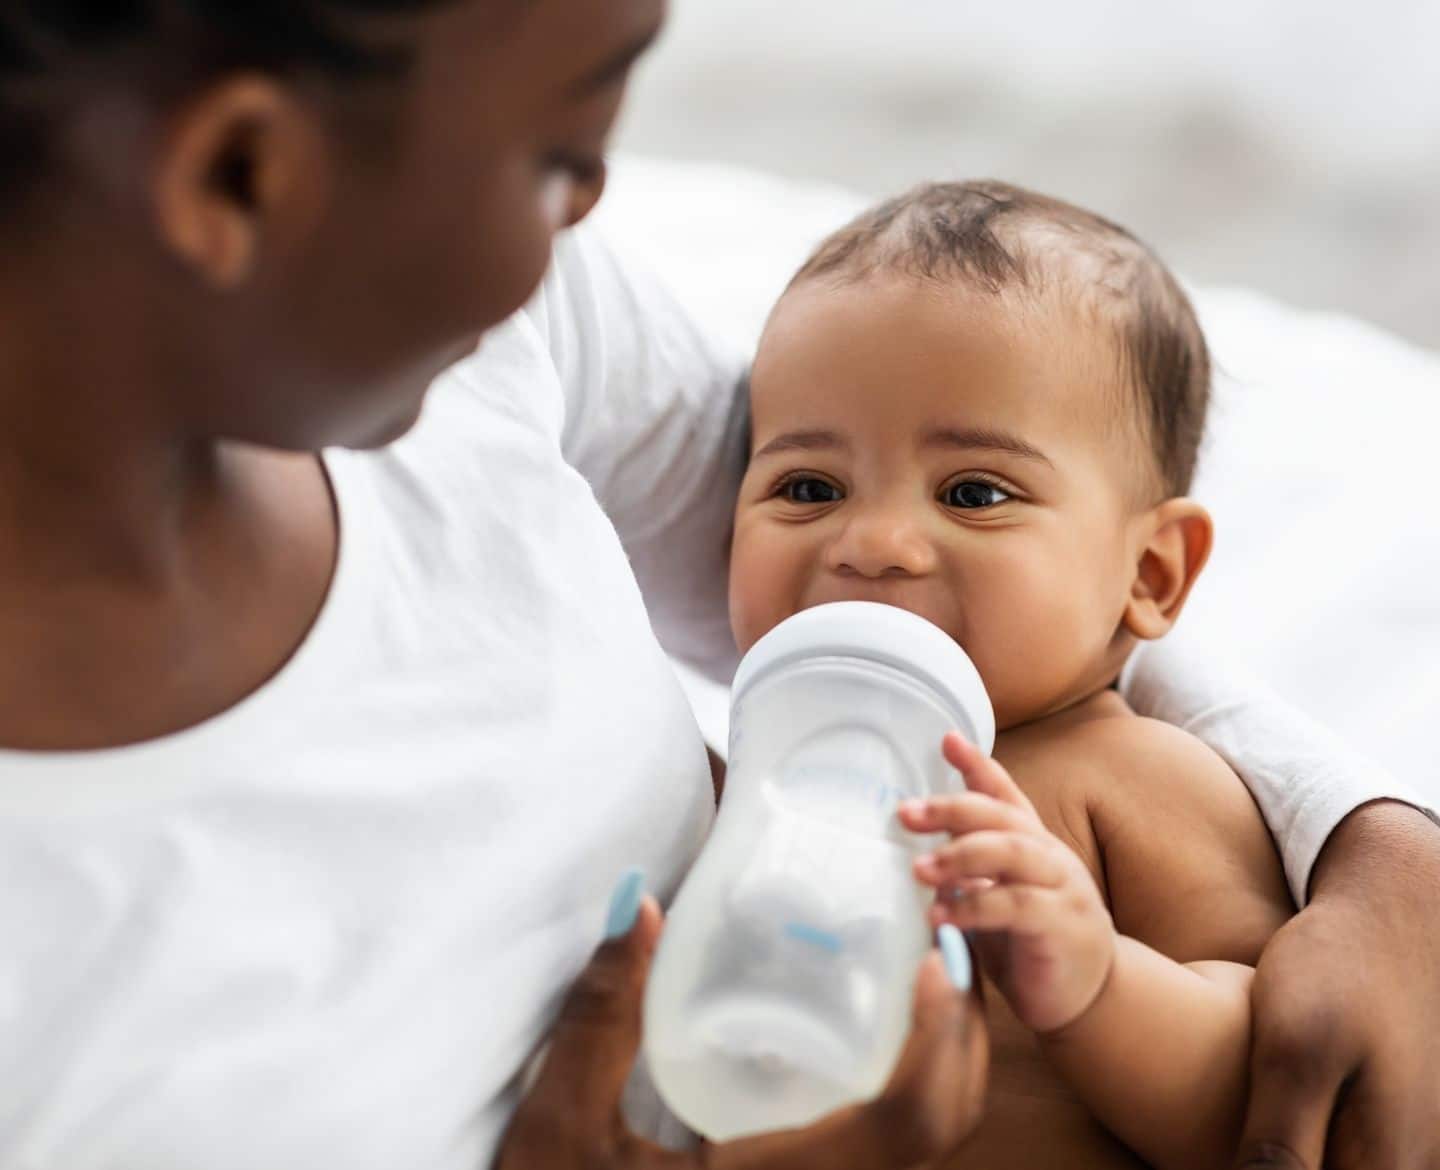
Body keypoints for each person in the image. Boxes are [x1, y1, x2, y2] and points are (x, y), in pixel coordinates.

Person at [0, 3, 1432, 1169]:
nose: (595, 220)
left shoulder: (485, 346)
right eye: (558, 157)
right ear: (243, 176)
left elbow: (992, 624)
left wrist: (1375, 842)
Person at [728, 179, 1294, 1168]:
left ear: (1150, 573)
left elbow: (1273, 1088)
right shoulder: (760, 785)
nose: (876, 542)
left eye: (975, 492)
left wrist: (1099, 984)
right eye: (808, 487)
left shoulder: (1136, 779)